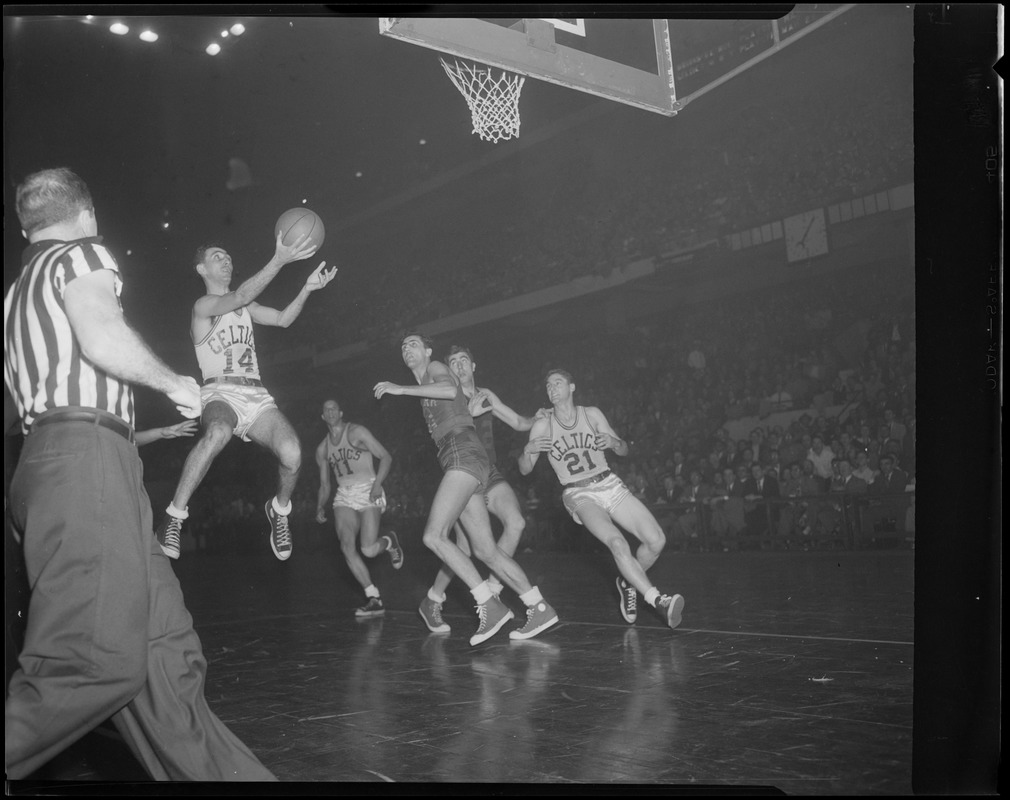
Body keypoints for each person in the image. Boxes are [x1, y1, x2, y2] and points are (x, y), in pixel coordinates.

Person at [3, 167, 275, 780]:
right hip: (84, 458)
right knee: (90, 663)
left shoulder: (17, 294)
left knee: (165, 658)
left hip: (60, 463)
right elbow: (101, 335)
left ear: (26, 225)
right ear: (88, 215)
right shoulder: (81, 253)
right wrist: (176, 381)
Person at [154, 234, 336, 562]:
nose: (226, 259)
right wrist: (279, 259)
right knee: (218, 432)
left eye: (227, 254)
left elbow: (282, 319)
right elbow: (238, 296)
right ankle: (174, 516)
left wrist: (306, 289)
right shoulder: (204, 306)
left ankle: (279, 510)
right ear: (201, 268)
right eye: (217, 255)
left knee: (293, 453)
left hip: (256, 394)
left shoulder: (246, 306)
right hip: (219, 392)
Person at [374, 333, 558, 646]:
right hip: (462, 457)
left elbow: (449, 388)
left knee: (434, 535)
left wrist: (398, 388)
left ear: (430, 352)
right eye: (403, 346)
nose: (408, 349)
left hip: (463, 453)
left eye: (414, 343)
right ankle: (537, 606)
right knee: (483, 550)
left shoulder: (435, 369)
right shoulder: (430, 385)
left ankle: (487, 602)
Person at [518, 368, 685, 630]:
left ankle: (628, 582)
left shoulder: (592, 414)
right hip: (578, 492)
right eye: (548, 385)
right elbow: (524, 469)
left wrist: (613, 442)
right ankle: (658, 601)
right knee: (617, 543)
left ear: (572, 387)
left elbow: (623, 449)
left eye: (557, 383)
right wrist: (527, 451)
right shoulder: (542, 425)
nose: (551, 389)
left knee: (656, 541)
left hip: (608, 483)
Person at [416, 345, 540, 635]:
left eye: (463, 361)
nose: (459, 366)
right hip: (464, 470)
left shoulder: (486, 394)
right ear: (448, 370)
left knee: (516, 522)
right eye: (453, 363)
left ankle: (494, 589)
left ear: (473, 366)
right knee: (462, 547)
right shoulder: (449, 396)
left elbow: (518, 422)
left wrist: (540, 417)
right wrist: (468, 413)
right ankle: (433, 599)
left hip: (490, 472)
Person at [314, 399, 403, 618]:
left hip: (368, 488)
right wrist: (319, 506)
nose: (331, 411)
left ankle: (389, 541)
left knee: (368, 550)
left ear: (341, 412)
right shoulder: (322, 449)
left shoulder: (357, 432)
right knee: (346, 546)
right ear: (323, 417)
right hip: (344, 495)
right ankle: (373, 597)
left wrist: (377, 485)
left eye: (334, 407)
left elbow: (385, 457)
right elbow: (325, 484)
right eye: (326, 409)